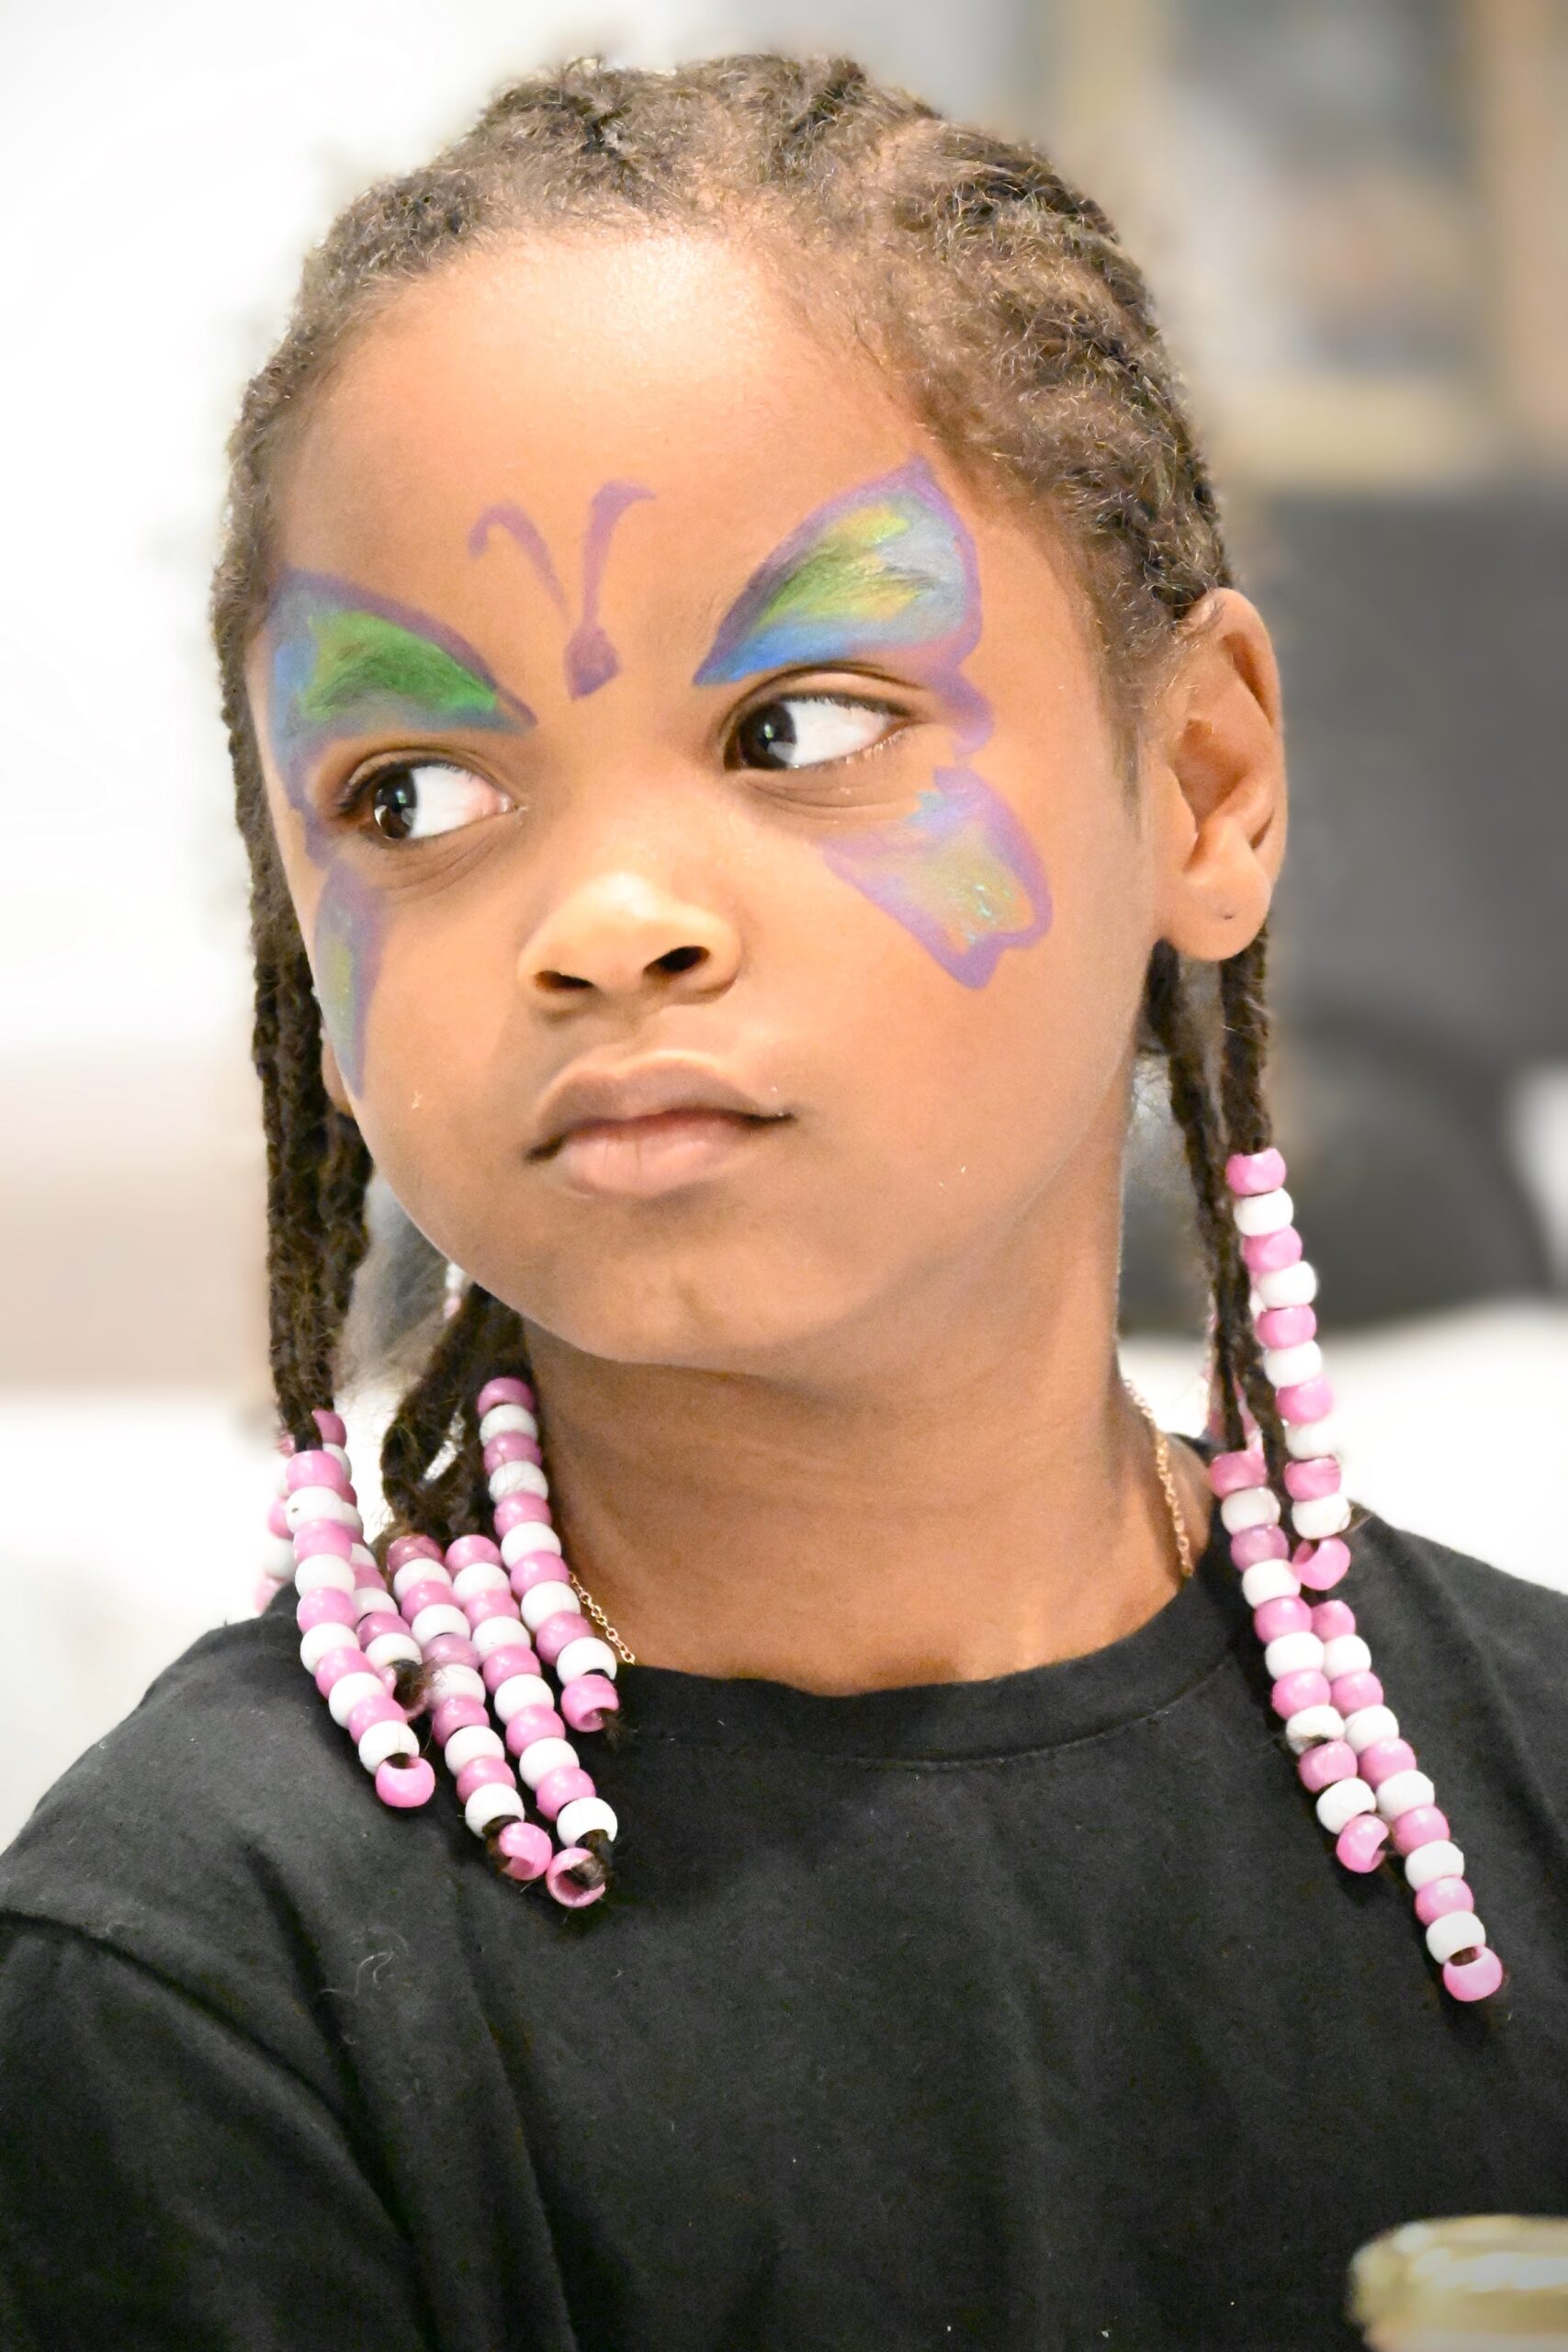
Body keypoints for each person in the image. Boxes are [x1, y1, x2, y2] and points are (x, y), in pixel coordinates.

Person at [1, 52, 1564, 2352]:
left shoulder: (1526, 1784)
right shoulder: (196, 1986)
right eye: (413, 790)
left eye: (797, 729)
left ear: (1202, 780)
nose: (608, 921)